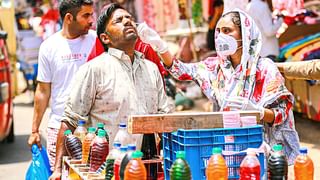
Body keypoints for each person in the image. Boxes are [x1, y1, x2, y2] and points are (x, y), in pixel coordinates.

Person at [138, 9, 300, 164]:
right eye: (220, 31)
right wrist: (160, 46)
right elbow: (181, 71)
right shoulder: (215, 67)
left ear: (245, 34)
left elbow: (282, 113)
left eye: (228, 30)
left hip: (259, 150)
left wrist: (258, 112)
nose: (222, 36)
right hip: (227, 149)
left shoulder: (265, 69)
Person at [49, 3, 173, 179]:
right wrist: (58, 170)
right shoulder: (94, 70)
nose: (128, 22)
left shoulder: (151, 69)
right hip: (105, 171)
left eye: (129, 18)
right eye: (119, 20)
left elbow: (165, 119)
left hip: (145, 168)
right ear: (105, 38)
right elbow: (70, 121)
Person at [27, 0, 96, 171]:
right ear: (68, 18)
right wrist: (35, 130)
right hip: (59, 128)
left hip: (93, 128)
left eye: (91, 15)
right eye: (85, 15)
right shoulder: (49, 47)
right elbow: (43, 91)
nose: (91, 20)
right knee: (59, 173)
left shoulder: (96, 40)